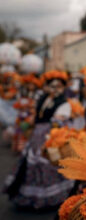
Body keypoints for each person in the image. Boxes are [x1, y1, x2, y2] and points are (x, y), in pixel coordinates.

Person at [3, 70, 75, 210]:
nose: (56, 89)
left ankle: (49, 199)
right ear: (47, 86)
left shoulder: (64, 103)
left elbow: (59, 123)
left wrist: (51, 137)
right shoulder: (43, 97)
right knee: (31, 163)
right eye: (52, 86)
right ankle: (29, 198)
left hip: (51, 136)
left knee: (47, 163)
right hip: (37, 134)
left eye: (59, 86)